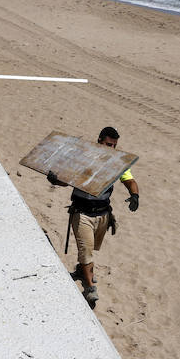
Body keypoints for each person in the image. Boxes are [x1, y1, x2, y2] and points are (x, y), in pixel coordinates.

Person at [47, 126, 139, 303]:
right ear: (99, 141)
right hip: (82, 213)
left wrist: (134, 195)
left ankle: (82, 271)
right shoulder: (84, 158)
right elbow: (67, 179)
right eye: (107, 144)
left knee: (90, 249)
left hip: (103, 215)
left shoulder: (117, 162)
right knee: (86, 251)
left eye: (114, 145)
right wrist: (55, 180)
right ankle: (90, 288)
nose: (110, 148)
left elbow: (129, 180)